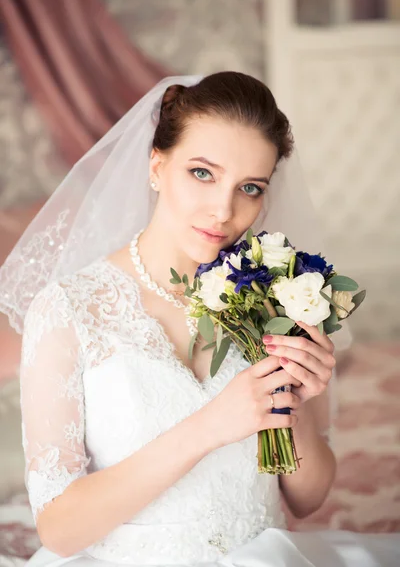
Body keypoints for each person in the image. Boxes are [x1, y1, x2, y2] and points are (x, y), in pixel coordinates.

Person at [0, 72, 398, 567]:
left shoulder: (274, 302)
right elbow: (58, 530)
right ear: (156, 165)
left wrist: (295, 405)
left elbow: (305, 500)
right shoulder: (68, 309)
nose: (223, 210)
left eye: (249, 187)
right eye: (202, 173)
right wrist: (211, 425)